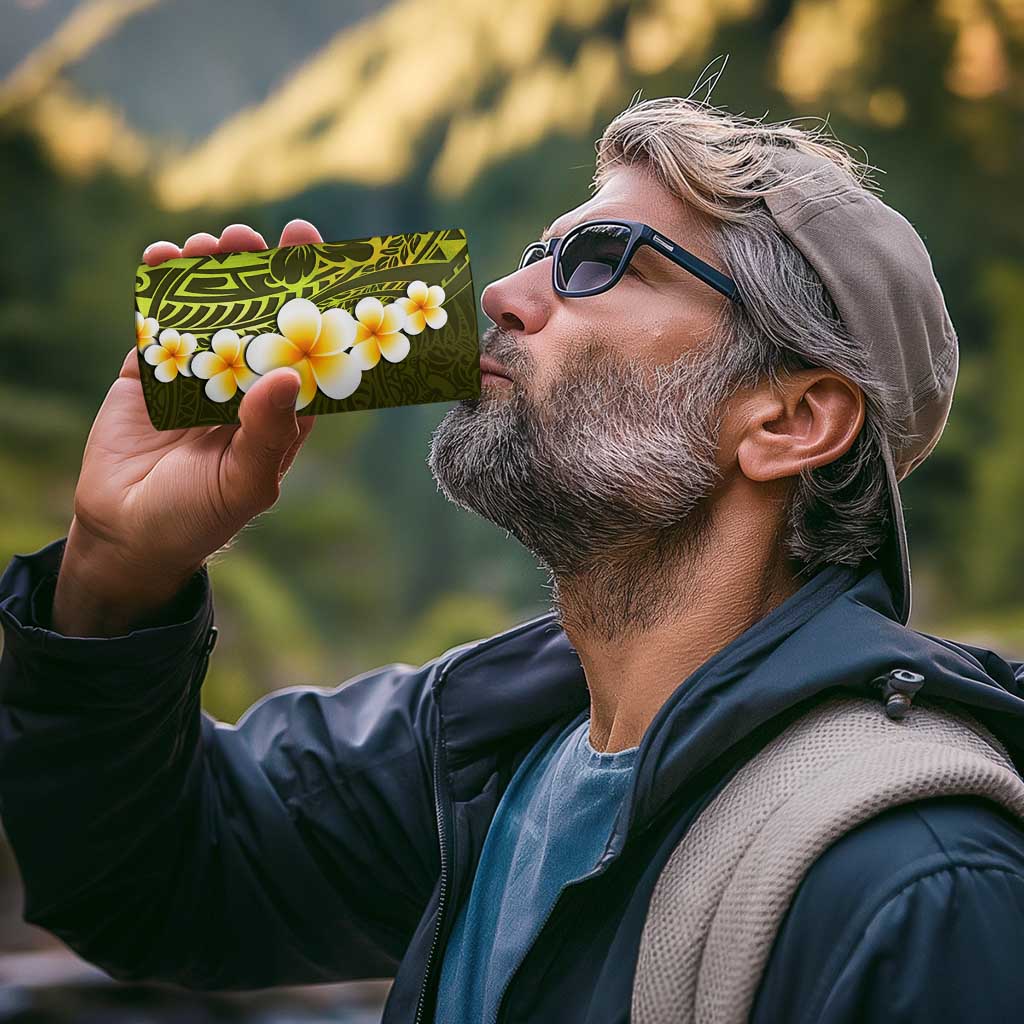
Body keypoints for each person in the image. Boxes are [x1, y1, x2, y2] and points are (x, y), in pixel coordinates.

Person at [2, 94, 1024, 1024]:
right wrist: (115, 571)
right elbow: (148, 880)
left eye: (600, 261)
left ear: (791, 419)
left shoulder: (918, 884)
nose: (501, 292)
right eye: (540, 252)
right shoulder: (479, 749)